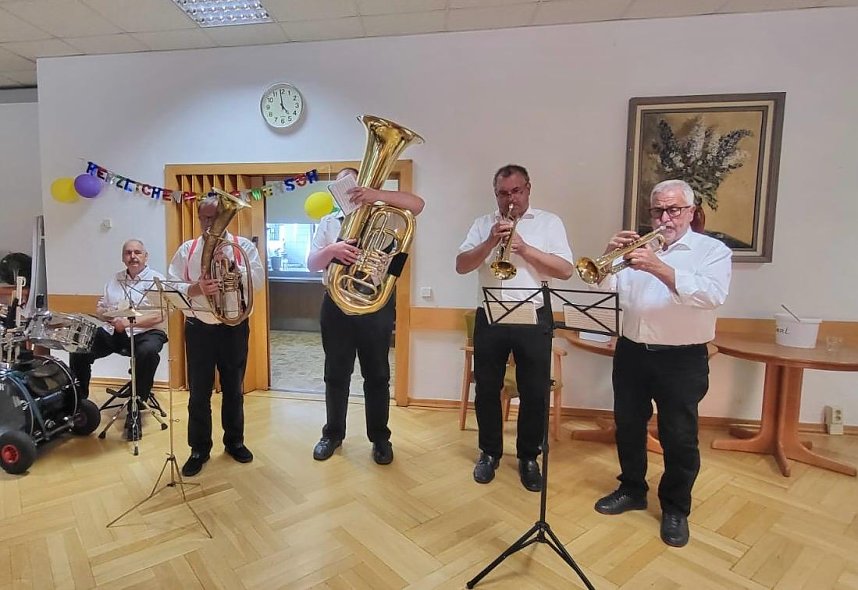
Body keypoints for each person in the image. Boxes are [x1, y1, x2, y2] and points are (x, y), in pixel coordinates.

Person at [592, 179, 731, 548]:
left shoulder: (711, 251)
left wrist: (658, 267)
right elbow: (602, 291)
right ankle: (633, 489)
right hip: (633, 352)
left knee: (679, 437)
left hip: (682, 358)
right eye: (658, 211)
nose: (665, 217)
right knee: (628, 426)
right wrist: (608, 258)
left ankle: (675, 507)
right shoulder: (636, 250)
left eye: (673, 210)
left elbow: (712, 296)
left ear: (690, 211)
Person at [455, 164, 574, 492]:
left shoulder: (549, 223)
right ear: (496, 194)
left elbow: (565, 270)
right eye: (503, 193)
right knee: (487, 388)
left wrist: (524, 248)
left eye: (516, 191)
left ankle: (528, 456)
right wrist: (489, 243)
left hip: (534, 312)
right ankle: (489, 452)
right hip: (490, 313)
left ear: (528, 189)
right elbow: (461, 265)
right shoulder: (483, 224)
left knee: (534, 391)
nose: (510, 199)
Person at [309, 167, 425, 465]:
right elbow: (311, 263)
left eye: (353, 184)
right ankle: (332, 434)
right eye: (342, 185)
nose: (348, 190)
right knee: (335, 376)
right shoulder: (328, 222)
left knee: (377, 377)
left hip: (375, 304)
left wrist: (377, 196)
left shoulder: (384, 213)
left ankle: (380, 439)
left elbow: (418, 204)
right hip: (336, 304)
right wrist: (332, 249)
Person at [168, 194, 264, 477]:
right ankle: (199, 449)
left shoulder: (242, 247)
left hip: (233, 327)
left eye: (215, 218)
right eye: (205, 218)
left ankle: (234, 442)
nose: (210, 224)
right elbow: (172, 286)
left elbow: (257, 282)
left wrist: (235, 267)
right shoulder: (188, 249)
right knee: (199, 392)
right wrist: (195, 289)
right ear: (198, 218)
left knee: (234, 388)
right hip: (200, 328)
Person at [69, 239, 168, 440]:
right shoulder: (114, 280)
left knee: (147, 353)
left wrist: (130, 323)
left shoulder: (157, 280)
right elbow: (101, 308)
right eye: (128, 253)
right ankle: (80, 404)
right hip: (116, 331)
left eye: (137, 252)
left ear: (145, 256)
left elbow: (161, 315)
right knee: (79, 347)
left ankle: (135, 409)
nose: (133, 256)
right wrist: (108, 315)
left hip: (147, 333)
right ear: (123, 257)